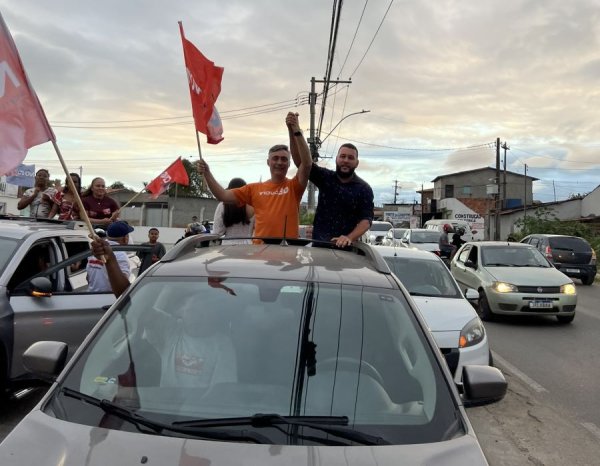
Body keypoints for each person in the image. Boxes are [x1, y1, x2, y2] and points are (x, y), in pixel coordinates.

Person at [197, 112, 311, 242]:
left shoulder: (294, 187)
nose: (279, 162)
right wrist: (207, 173)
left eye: (284, 159)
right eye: (275, 158)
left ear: (289, 163)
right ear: (268, 162)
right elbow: (222, 195)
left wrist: (296, 130)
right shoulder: (254, 189)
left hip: (288, 253)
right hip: (260, 254)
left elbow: (306, 164)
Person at [290, 140, 374, 249]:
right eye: (342, 156)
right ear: (337, 159)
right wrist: (294, 132)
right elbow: (301, 163)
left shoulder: (364, 188)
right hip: (319, 250)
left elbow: (366, 220)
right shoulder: (325, 178)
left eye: (350, 158)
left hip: (347, 253)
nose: (346, 160)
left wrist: (349, 237)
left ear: (357, 163)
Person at [86, 221, 133, 293]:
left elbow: (88, 278)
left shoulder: (96, 250)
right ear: (126, 238)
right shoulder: (120, 255)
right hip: (110, 299)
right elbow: (123, 287)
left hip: (90, 296)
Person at [212, 178, 255, 244]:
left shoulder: (223, 205)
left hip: (228, 244)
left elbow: (217, 232)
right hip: (248, 244)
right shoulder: (252, 205)